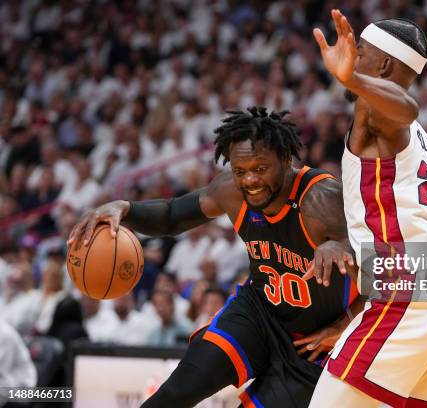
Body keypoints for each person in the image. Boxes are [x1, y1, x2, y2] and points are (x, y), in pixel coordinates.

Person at [68, 107, 362, 408]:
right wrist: (125, 208)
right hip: (258, 314)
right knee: (174, 394)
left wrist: (347, 323)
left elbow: (402, 270)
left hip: (314, 343)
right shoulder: (230, 192)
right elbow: (171, 216)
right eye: (240, 170)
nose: (250, 180)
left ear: (286, 160)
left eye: (261, 169)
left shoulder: (321, 199)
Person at [307, 10, 427, 407]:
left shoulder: (378, 111)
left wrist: (351, 78)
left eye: (361, 50)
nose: (351, 54)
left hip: (412, 293)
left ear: (384, 64)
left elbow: (406, 108)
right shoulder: (413, 135)